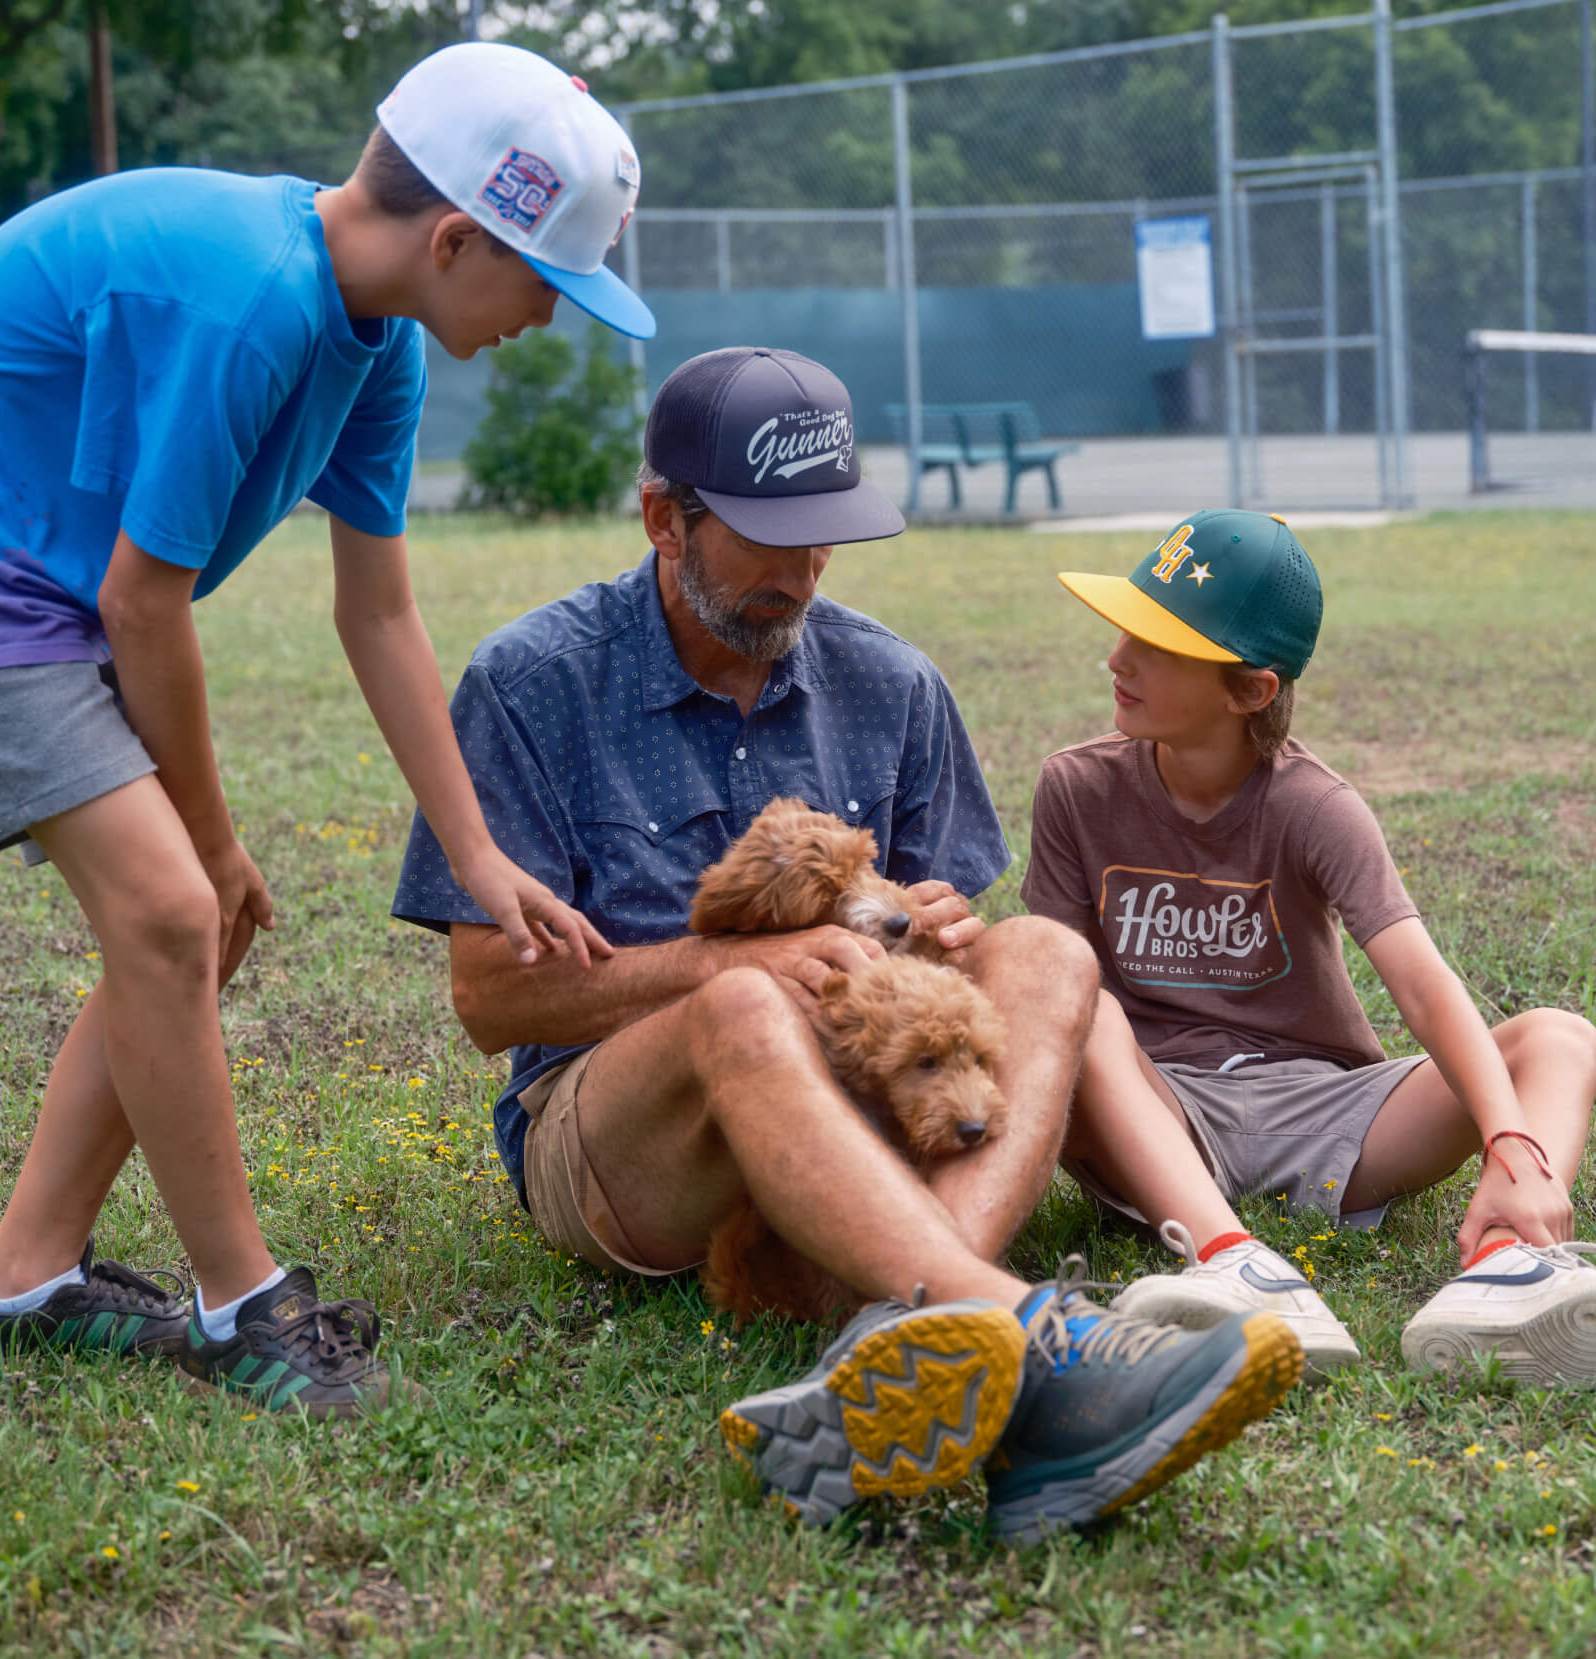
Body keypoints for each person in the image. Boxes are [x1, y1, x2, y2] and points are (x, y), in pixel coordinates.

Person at [0, 43, 652, 1415]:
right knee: (180, 908)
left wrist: (477, 852)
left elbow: (378, 616)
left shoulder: (377, 350)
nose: (549, 319)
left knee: (196, 914)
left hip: (42, 573)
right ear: (452, 237)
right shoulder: (255, 298)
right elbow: (146, 603)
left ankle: (19, 1279)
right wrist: (211, 834)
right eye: (549, 282)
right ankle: (244, 1307)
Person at [393, 348, 1301, 1541]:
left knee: (1044, 953)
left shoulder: (894, 683)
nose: (802, 570)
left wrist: (941, 931)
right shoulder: (531, 683)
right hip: (620, 1133)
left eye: (824, 533)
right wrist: (720, 966)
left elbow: (948, 980)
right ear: (664, 516)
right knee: (742, 1010)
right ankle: (1029, 1341)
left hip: (863, 1107)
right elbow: (487, 1002)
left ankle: (905, 1333)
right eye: (767, 536)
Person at [1024, 510, 1596, 1386]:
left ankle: (1509, 1262)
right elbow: (1052, 998)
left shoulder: (1314, 804)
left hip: (1325, 1112)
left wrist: (1510, 1145)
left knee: (1560, 1037)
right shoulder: (1075, 788)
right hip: (1155, 1113)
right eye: (1125, 627)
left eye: (1161, 643)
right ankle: (1237, 1265)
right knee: (1084, 1010)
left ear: (1251, 691)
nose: (1118, 657)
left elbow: (1420, 984)